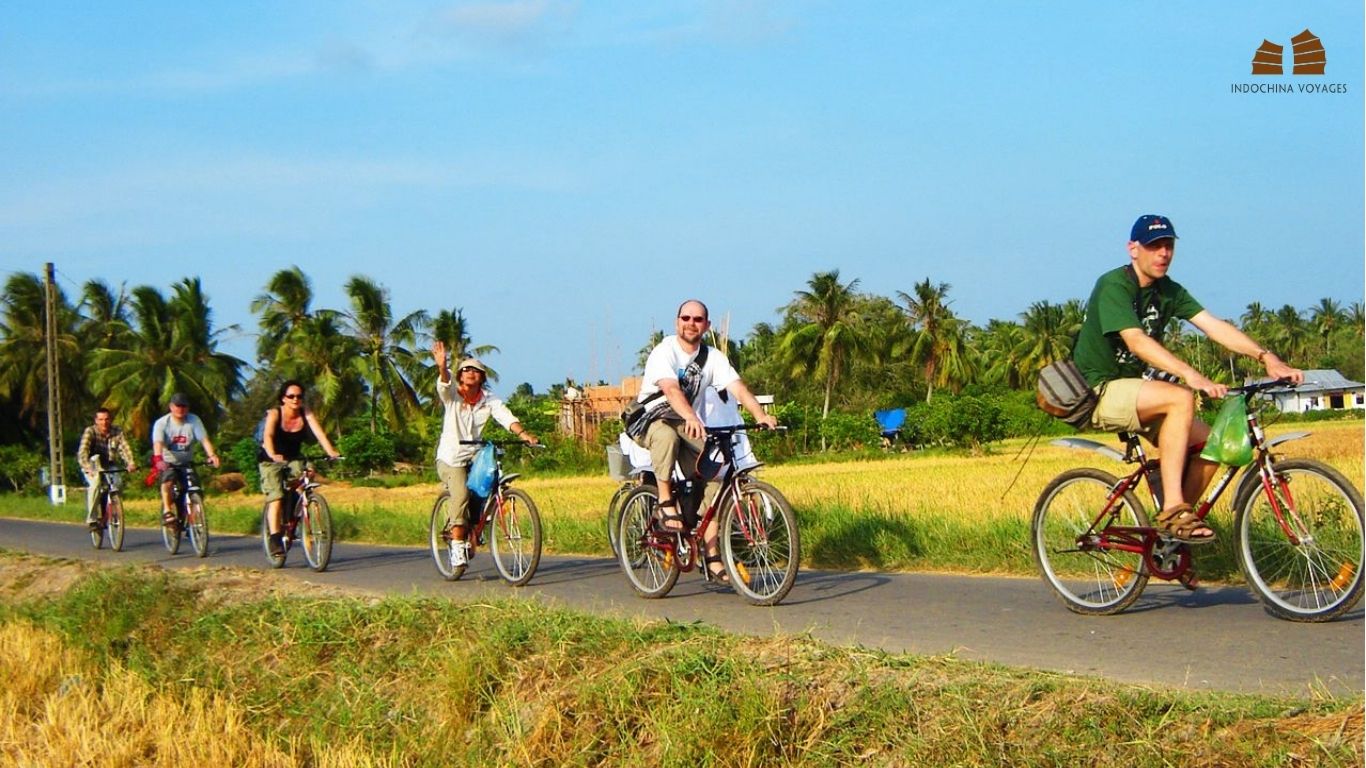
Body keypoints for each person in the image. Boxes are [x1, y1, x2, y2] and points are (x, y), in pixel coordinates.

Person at [1072, 214, 1303, 543]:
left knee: (1216, 446)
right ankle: (1174, 507)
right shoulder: (1114, 285)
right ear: (1133, 249)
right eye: (1154, 246)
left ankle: (1174, 529)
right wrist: (1191, 375)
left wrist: (1267, 358)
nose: (1163, 253)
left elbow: (1213, 326)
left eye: (1168, 245)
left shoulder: (1169, 291)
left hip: (1137, 392)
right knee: (1180, 396)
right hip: (1099, 389)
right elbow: (1136, 340)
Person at [629, 299, 777, 582]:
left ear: (706, 326)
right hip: (650, 421)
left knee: (715, 471)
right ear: (677, 322)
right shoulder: (664, 351)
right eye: (686, 318)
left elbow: (737, 388)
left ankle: (712, 556)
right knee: (666, 434)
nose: (691, 323)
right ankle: (663, 500)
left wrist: (760, 414)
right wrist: (692, 418)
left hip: (687, 423)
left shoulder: (713, 358)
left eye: (698, 319)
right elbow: (671, 390)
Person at [432, 341, 539, 567]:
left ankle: (479, 522)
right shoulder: (453, 395)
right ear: (460, 376)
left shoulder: (489, 399)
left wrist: (524, 435)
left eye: (476, 371)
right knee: (460, 495)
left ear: (482, 377)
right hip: (451, 457)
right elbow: (444, 384)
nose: (471, 373)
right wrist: (442, 367)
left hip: (475, 454)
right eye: (466, 370)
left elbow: (506, 417)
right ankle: (458, 544)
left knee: (489, 483)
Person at [259, 380, 342, 557]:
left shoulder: (306, 413)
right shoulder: (275, 414)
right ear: (283, 398)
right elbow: (268, 435)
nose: (295, 399)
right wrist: (273, 454)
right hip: (270, 459)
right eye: (291, 396)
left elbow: (319, 433)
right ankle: (275, 539)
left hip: (293, 458)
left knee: (305, 478)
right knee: (276, 497)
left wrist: (331, 451)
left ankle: (295, 514)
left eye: (299, 396)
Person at [151, 393, 221, 527]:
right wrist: (159, 460)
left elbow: (204, 440)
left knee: (196, 489)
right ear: (171, 407)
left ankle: (192, 522)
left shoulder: (193, 420)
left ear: (188, 408)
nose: (181, 409)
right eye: (178, 406)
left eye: (184, 406)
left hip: (187, 462)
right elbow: (158, 443)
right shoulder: (162, 423)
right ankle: (167, 510)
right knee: (168, 481)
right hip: (168, 462)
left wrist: (212, 455)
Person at [76, 408, 137, 530]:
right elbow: (82, 452)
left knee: (118, 483)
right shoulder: (90, 432)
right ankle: (92, 518)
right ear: (96, 421)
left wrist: (130, 463)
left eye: (107, 419)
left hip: (109, 464)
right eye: (101, 420)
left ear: (111, 420)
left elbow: (125, 448)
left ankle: (112, 510)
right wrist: (88, 468)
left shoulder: (117, 431)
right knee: (96, 484)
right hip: (93, 464)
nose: (104, 422)